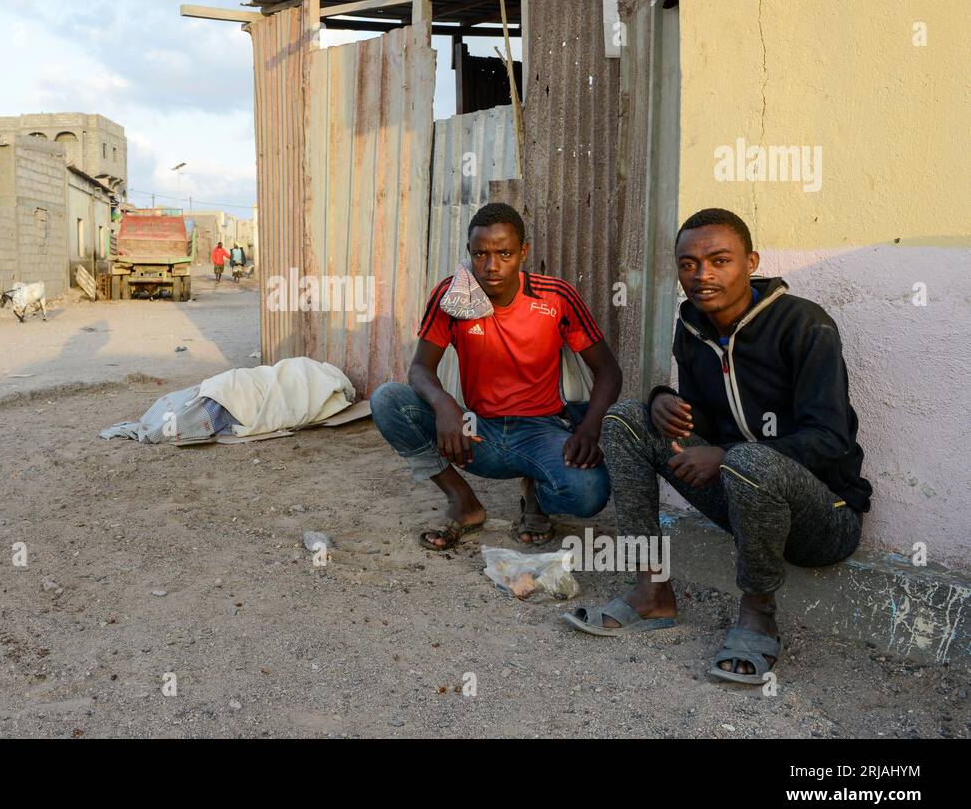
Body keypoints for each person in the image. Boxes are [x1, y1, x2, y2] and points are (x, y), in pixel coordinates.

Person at [567, 208, 868, 685]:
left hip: (821, 518)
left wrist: (726, 456)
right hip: (737, 496)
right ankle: (651, 589)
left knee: (748, 459)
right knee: (626, 417)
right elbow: (704, 415)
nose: (701, 275)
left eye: (718, 260)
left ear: (750, 262)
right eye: (687, 264)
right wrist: (665, 401)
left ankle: (758, 611)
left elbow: (829, 439)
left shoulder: (804, 324)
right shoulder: (693, 327)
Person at [370, 203, 622, 551]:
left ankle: (537, 494)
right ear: (469, 254)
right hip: (476, 430)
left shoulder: (556, 297)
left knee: (589, 493)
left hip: (542, 430)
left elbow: (608, 369)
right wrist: (445, 406)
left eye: (504, 253)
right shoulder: (453, 298)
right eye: (480, 254)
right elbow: (420, 368)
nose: (491, 266)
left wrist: (589, 430)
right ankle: (463, 503)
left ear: (523, 252)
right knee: (387, 400)